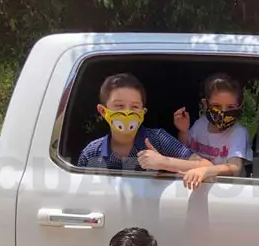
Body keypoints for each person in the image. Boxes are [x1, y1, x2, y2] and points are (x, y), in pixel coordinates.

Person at [77, 73, 212, 187]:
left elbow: (206, 165)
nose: (127, 113)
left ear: (143, 112)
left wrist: (163, 162)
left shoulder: (158, 139)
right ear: (103, 111)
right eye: (119, 106)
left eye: (135, 107)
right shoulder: (91, 153)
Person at [172, 73, 253, 189]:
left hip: (225, 189)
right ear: (206, 104)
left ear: (240, 106)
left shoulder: (238, 132)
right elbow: (184, 149)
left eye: (230, 107)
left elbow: (235, 168)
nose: (223, 112)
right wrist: (183, 131)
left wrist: (205, 171)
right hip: (196, 185)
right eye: (217, 106)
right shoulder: (200, 124)